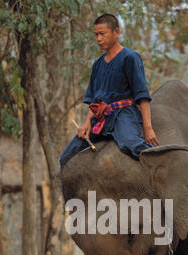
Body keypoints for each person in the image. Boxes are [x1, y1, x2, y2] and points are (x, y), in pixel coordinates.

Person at [60, 13, 159, 168]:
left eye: (102, 34)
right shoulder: (98, 64)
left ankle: (165, 167)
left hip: (124, 114)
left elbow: (142, 96)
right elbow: (94, 100)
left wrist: (148, 128)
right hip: (100, 117)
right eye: (96, 35)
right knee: (67, 155)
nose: (98, 39)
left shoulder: (130, 57)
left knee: (131, 144)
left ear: (116, 33)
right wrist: (86, 124)